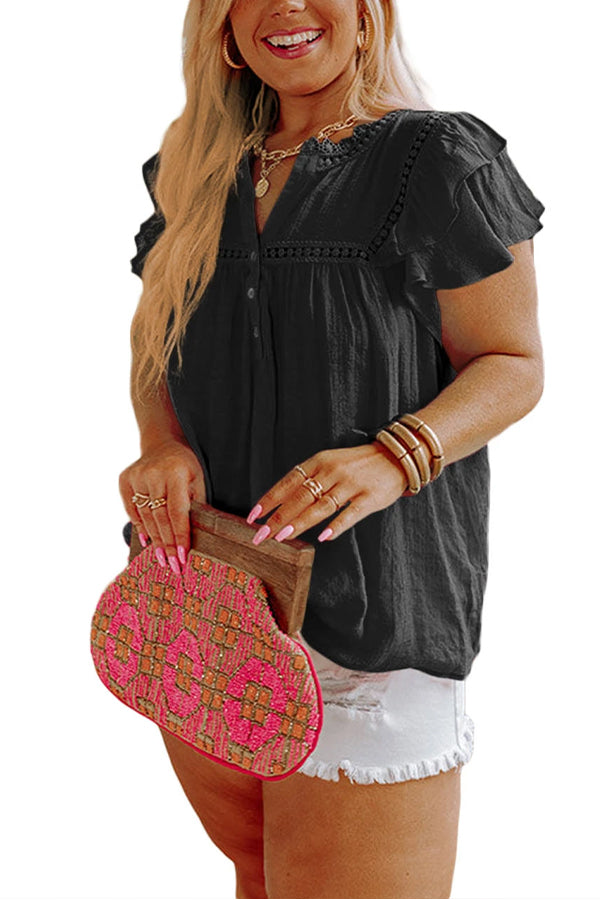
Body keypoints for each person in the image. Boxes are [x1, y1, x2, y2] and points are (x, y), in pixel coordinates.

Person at [118, 0, 545, 896]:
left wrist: (396, 456)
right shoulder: (191, 169)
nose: (286, 5)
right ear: (224, 27)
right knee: (261, 877)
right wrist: (160, 444)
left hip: (371, 608)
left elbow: (512, 365)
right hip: (204, 598)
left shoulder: (434, 158)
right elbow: (155, 341)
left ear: (366, 12)